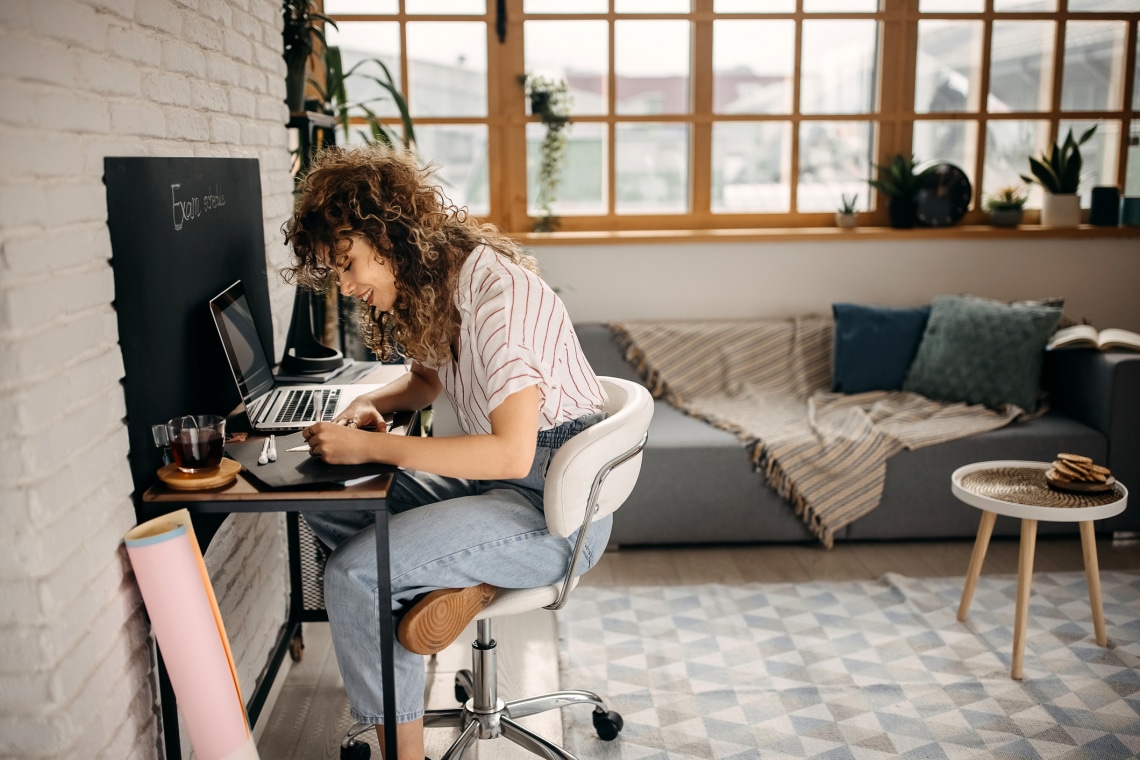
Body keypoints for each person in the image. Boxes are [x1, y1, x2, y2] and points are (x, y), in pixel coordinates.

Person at [283, 145, 611, 759]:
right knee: (328, 493)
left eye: (350, 265)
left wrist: (377, 446)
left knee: (356, 575)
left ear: (389, 236)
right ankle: (441, 580)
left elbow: (513, 455)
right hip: (503, 489)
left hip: (554, 512)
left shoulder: (499, 303)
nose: (349, 286)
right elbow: (428, 383)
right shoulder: (446, 282)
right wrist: (369, 410)